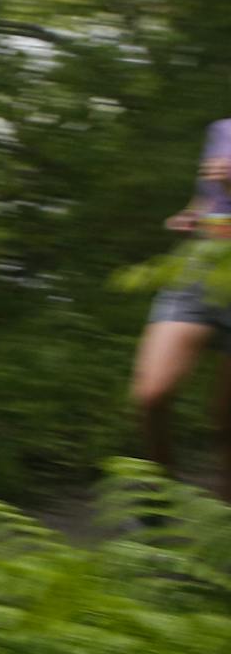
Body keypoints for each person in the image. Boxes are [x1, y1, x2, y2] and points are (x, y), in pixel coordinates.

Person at [133, 118, 231, 500]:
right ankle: (162, 500)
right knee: (151, 394)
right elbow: (208, 197)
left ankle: (220, 534)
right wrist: (192, 214)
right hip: (198, 270)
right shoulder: (222, 130)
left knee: (225, 424)